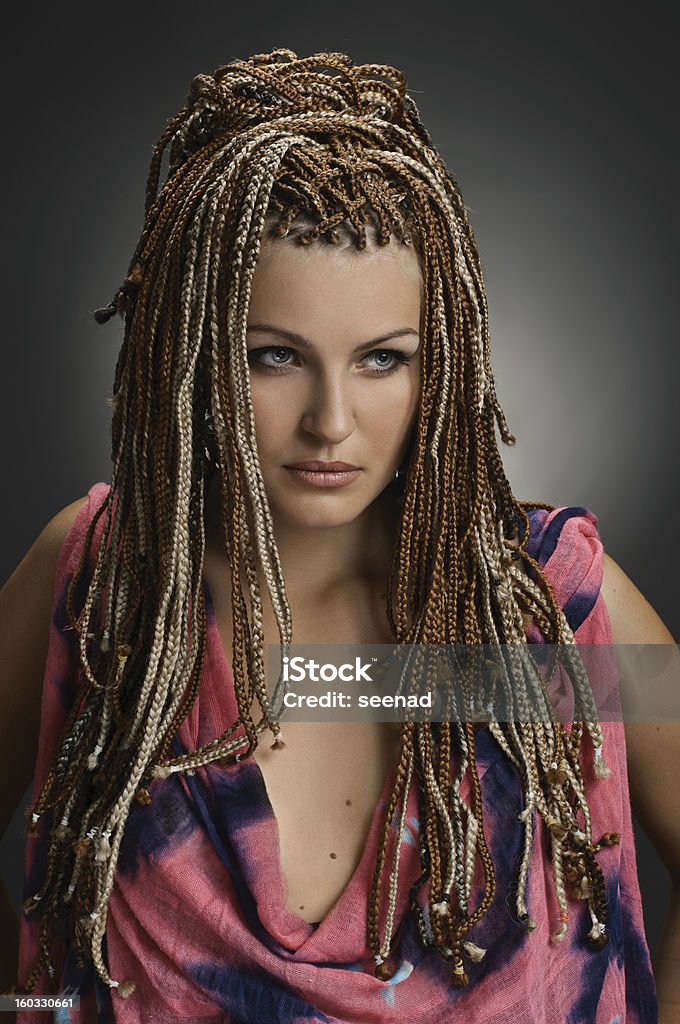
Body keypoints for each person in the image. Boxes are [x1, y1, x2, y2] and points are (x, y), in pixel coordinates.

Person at [0, 46, 677, 1023]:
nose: (329, 420)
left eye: (380, 360)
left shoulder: (549, 615)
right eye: (275, 357)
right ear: (188, 349)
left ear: (435, 362)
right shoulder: (105, 584)